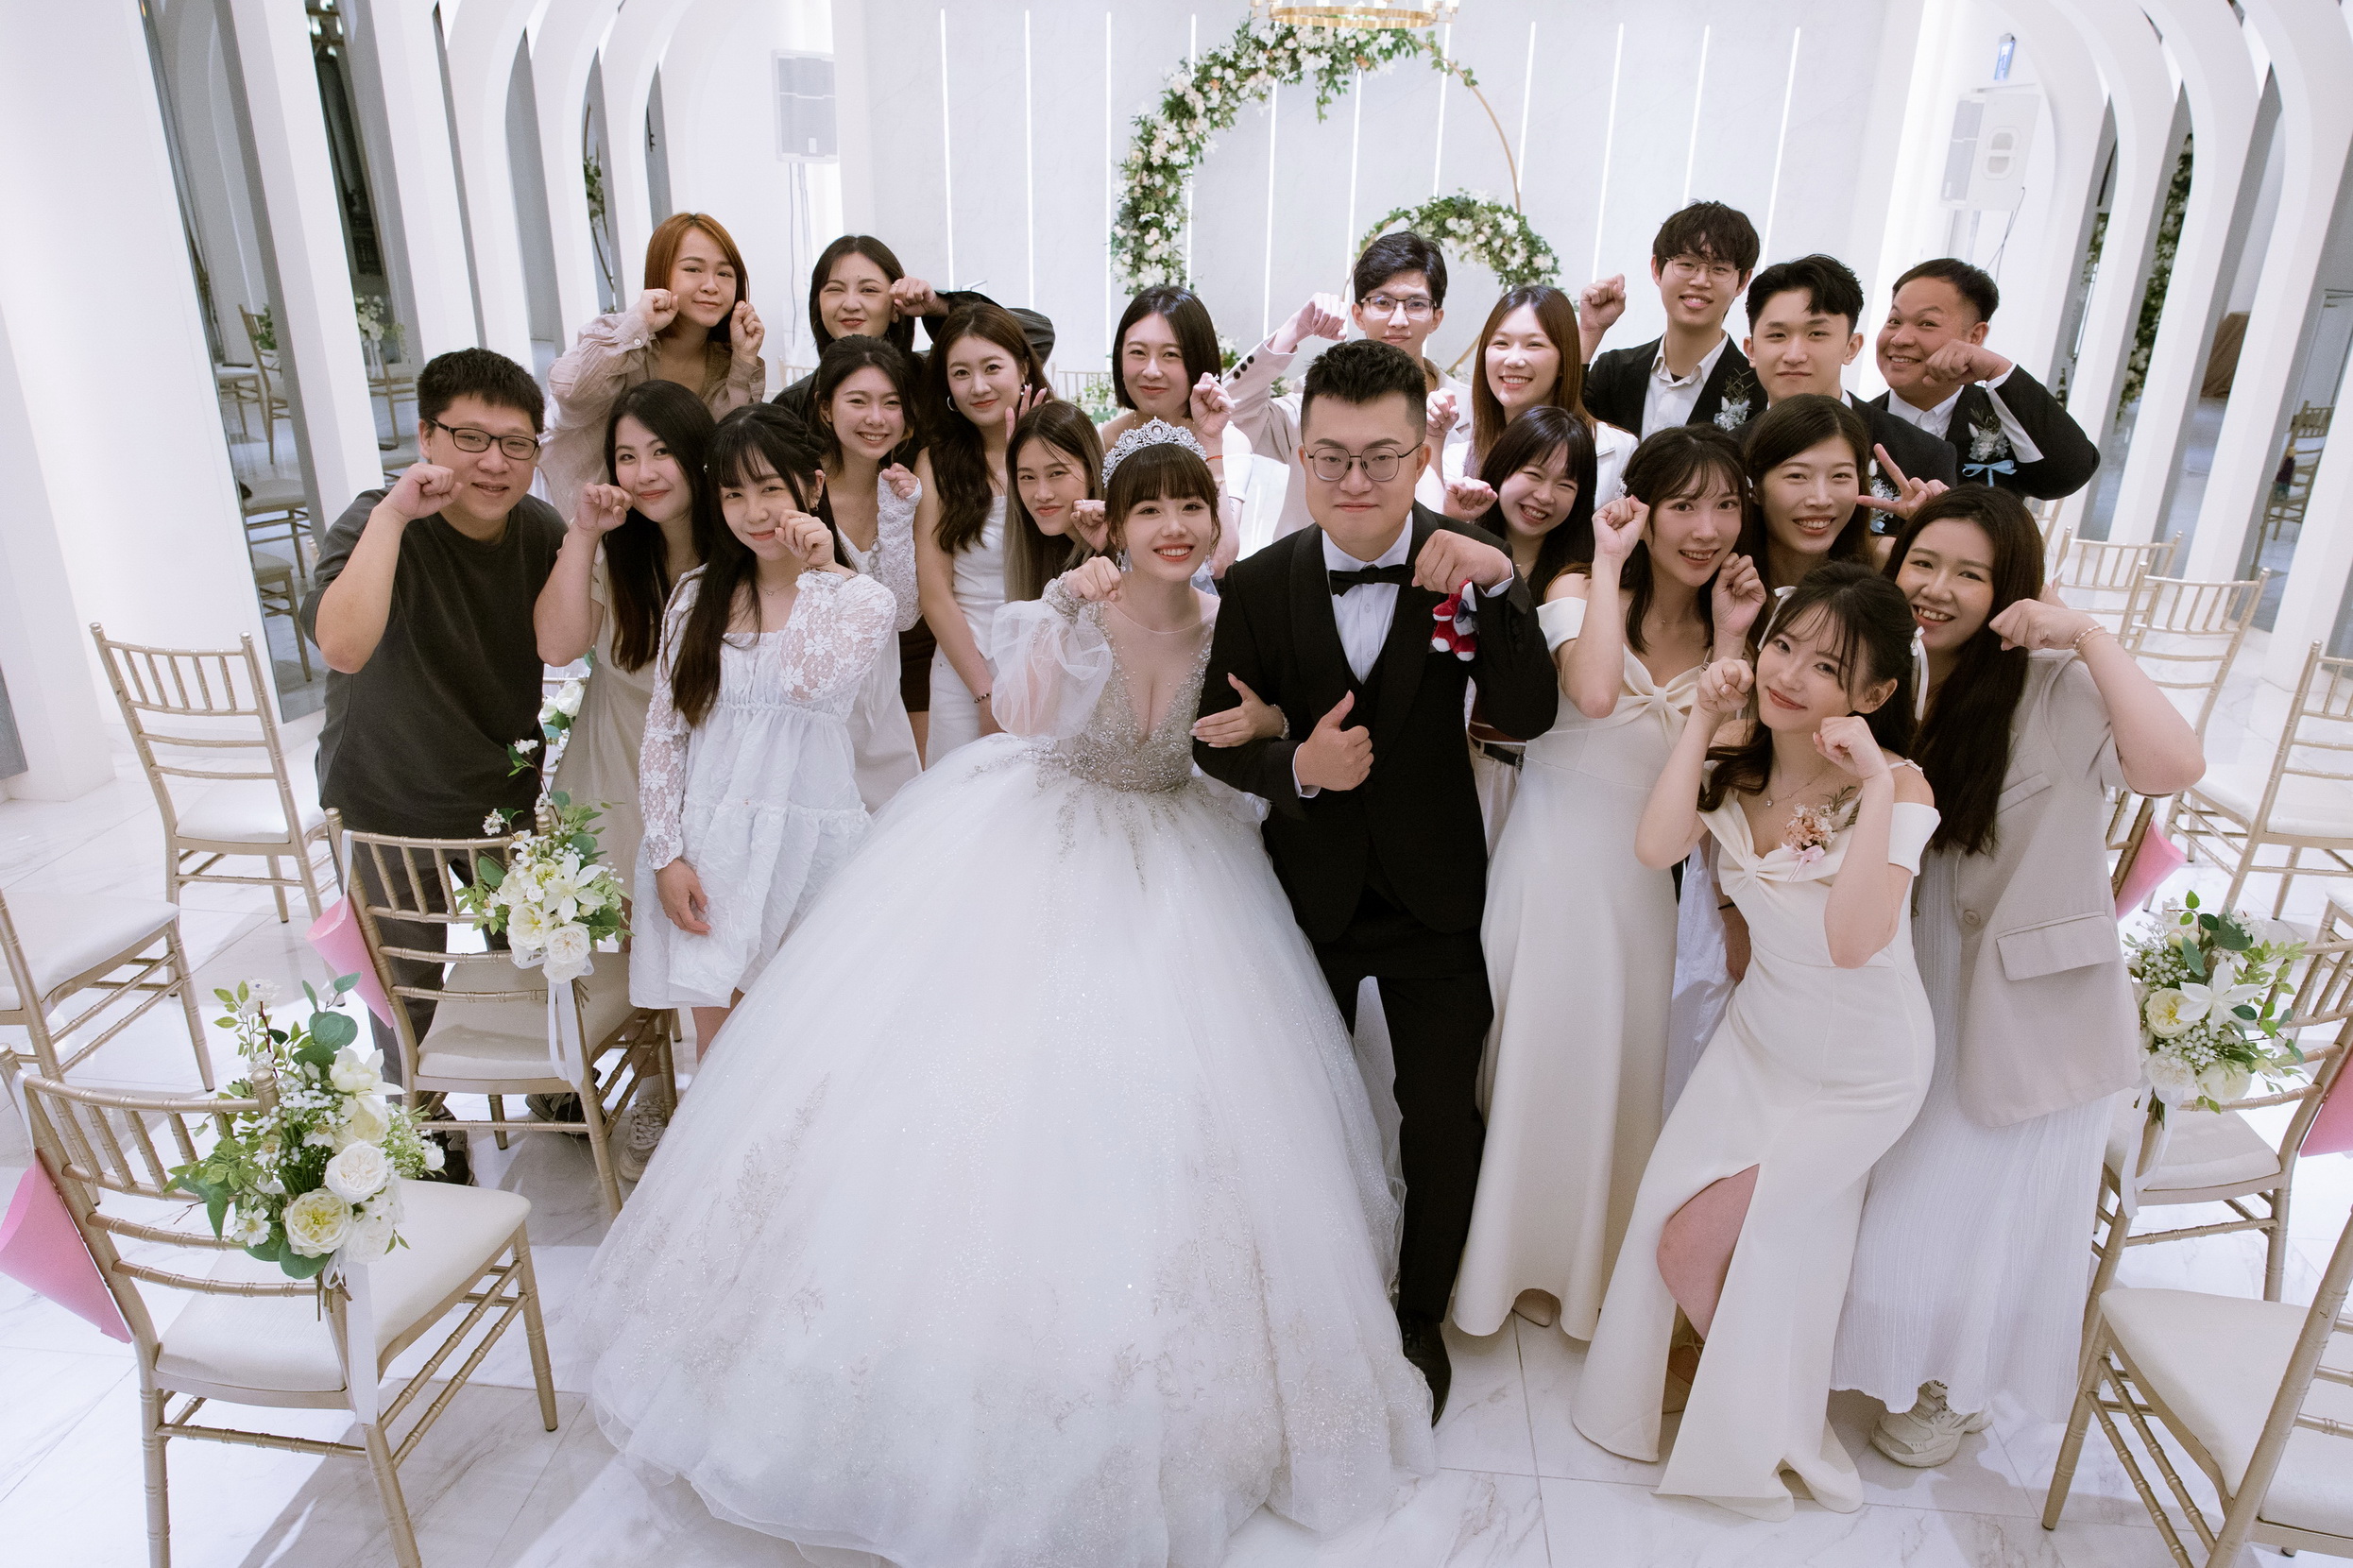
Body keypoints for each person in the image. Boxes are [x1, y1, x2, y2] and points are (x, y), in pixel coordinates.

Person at [572, 426, 1435, 1566]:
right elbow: (1027, 719)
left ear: (1216, 515)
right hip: (1039, 838)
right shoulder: (1065, 608)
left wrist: (1273, 728)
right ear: (1112, 520)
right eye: (1149, 508)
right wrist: (1068, 613)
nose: (1173, 527)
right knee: (974, 1092)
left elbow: (1247, 736)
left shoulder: (1237, 618)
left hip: (1184, 863)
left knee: (1176, 1110)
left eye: (1191, 505)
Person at [1193, 338, 1561, 1418]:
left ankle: (1418, 1315)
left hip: (1433, 895)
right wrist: (1295, 766)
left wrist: (1502, 585)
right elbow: (1215, 739)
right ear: (1301, 453)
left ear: (1420, 452)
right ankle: (1294, 1298)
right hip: (1301, 897)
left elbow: (1529, 714)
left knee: (1439, 1119)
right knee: (1293, 1112)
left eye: (1381, 457)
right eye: (1331, 457)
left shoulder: (1471, 560)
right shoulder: (1258, 582)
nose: (1354, 481)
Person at [1836, 487, 2202, 1464]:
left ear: (2012, 593)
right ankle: (1891, 1349)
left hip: (2023, 995)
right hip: (1905, 969)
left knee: (1972, 1206)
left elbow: (2171, 765)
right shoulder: (1883, 677)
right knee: (1890, 1180)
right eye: (1923, 562)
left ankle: (1953, 1387)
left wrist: (2084, 633)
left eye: (1971, 574)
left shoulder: (2051, 685)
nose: (1936, 588)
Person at [1576, 563, 1936, 1521]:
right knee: (1671, 1222)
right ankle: (1729, 1384)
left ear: (1873, 696)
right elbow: (1656, 846)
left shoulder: (1899, 787)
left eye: (1825, 667)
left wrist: (1872, 778)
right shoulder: (1740, 755)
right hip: (1759, 1042)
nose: (1787, 674)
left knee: (1698, 1245)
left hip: (1862, 1070)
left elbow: (1852, 941)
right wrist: (1702, 716)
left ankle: (1756, 1418)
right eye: (1783, 645)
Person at [1457, 426, 1763, 1344]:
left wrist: (1734, 637)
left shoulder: (1738, 627)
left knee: (1610, 1079)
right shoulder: (1577, 588)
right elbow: (1592, 694)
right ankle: (1491, 1269)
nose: (1705, 529)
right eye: (1684, 505)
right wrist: (1610, 558)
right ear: (1643, 509)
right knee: (1525, 1063)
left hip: (1640, 894)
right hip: (1546, 869)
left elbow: (1718, 777)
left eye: (1724, 506)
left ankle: (1578, 1274)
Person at [301, 348, 567, 1180]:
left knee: (533, 958)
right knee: (404, 988)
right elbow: (343, 647)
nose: (494, 462)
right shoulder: (374, 522)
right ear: (426, 436)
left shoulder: (540, 531)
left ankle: (550, 1082)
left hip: (500, 794)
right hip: (387, 793)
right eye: (470, 438)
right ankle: (424, 1120)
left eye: (515, 444)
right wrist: (393, 516)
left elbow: (570, 640)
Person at [628, 406, 897, 1055]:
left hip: (810, 846)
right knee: (720, 1050)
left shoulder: (861, 598)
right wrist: (666, 854)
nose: (753, 513)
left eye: (770, 488)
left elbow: (807, 683)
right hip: (711, 847)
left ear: (812, 485)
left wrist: (818, 575)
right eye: (733, 495)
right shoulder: (695, 597)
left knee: (806, 1048)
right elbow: (665, 733)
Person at [537, 380, 722, 892]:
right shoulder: (610, 548)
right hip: (609, 791)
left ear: (698, 452)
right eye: (626, 457)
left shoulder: (740, 553)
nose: (644, 474)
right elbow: (556, 647)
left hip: (710, 796)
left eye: (662, 451)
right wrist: (584, 531)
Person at [1224, 230, 1476, 541]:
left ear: (1436, 318)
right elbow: (1230, 413)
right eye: (1382, 302)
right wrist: (1294, 330)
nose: (1398, 320)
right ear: (1358, 314)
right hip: (1310, 567)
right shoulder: (1317, 397)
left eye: (1415, 304)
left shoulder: (1470, 409)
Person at [1436, 405, 1599, 844]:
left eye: (1566, 485)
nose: (1545, 496)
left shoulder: (1580, 581)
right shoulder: (1461, 547)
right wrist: (1453, 523)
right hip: (1456, 769)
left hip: (1546, 780)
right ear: (1503, 469)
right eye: (1534, 474)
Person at [544, 212, 767, 519]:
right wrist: (638, 325)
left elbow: (730, 452)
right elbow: (573, 398)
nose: (711, 285)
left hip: (677, 523)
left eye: (725, 274)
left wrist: (744, 359)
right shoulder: (617, 336)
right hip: (593, 514)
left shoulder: (728, 362)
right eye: (693, 269)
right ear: (661, 274)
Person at [913, 302, 1053, 760]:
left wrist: (1027, 461)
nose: (978, 386)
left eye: (992, 367)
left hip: (1050, 665)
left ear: (1023, 367)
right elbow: (934, 592)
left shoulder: (1062, 445)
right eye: (961, 373)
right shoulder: (935, 463)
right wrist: (986, 694)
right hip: (965, 670)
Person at [1733, 253, 1958, 511]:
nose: (1794, 355)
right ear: (1751, 350)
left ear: (1851, 348)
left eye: (1817, 333)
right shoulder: (1728, 453)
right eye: (1777, 335)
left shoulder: (1922, 454)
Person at [1867, 257, 2102, 500]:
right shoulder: (1857, 422)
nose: (1900, 339)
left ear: (1975, 336)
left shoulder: (2006, 418)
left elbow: (2068, 473)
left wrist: (1998, 369)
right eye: (1894, 321)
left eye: (1927, 323)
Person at [808, 337, 925, 805]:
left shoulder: (902, 494)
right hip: (816, 709)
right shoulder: (797, 490)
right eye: (858, 401)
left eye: (891, 404)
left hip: (883, 707)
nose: (876, 418)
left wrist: (898, 516)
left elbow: (904, 615)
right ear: (826, 409)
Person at [772, 233, 1054, 425]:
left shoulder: (932, 377)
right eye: (835, 290)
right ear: (818, 305)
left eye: (869, 290)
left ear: (896, 307)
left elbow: (1036, 335)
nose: (851, 304)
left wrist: (940, 306)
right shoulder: (795, 403)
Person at [1578, 201, 1768, 436]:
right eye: (1686, 264)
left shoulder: (1758, 390)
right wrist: (1589, 331)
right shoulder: (1614, 372)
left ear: (1742, 281)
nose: (1700, 281)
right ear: (1657, 269)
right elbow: (1559, 432)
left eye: (1719, 269)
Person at [1448, 285, 1639, 507]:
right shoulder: (1458, 460)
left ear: (1564, 361)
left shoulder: (1616, 451)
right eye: (1501, 343)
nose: (1513, 360)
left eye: (1534, 345)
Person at [1097, 285, 1240, 573]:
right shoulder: (1101, 439)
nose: (1151, 370)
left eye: (1171, 354)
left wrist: (1211, 443)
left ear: (1197, 361)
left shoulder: (1229, 441)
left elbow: (1220, 560)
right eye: (1138, 352)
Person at [1003, 400, 1107, 602]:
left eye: (1057, 473)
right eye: (1027, 477)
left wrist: (1112, 548)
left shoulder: (1127, 542)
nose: (1042, 495)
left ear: (1092, 474)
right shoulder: (1036, 555)